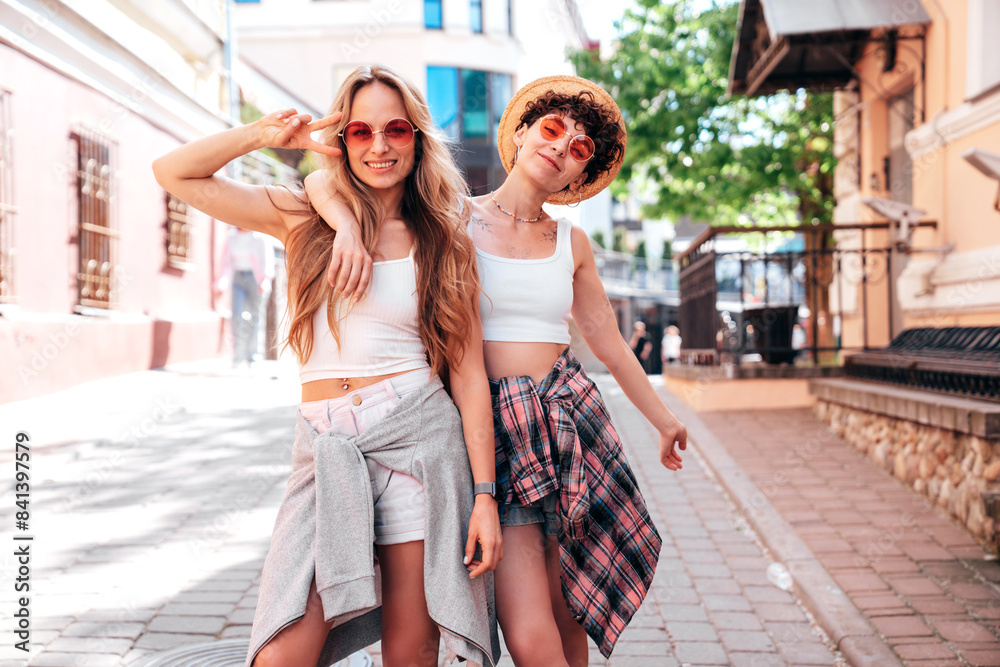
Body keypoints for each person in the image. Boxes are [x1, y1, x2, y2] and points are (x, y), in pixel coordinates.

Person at [308, 74, 688, 667]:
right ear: (522, 133)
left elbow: (608, 342)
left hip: (569, 426)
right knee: (528, 631)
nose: (561, 147)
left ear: (580, 176)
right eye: (553, 129)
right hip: (492, 429)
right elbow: (318, 180)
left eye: (579, 149)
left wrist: (663, 421)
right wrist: (348, 225)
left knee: (570, 618)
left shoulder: (573, 242)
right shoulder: (450, 217)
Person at [153, 65, 501, 667]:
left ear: (417, 135)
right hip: (326, 448)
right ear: (340, 141)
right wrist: (268, 136)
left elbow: (469, 376)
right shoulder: (303, 218)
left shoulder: (446, 239)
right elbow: (173, 173)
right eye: (360, 132)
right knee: (281, 653)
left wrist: (486, 497)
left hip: (418, 444)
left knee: (411, 654)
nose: (379, 145)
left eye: (395, 128)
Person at [216, 227, 275, 366]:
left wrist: (265, 280)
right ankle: (238, 356)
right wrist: (221, 283)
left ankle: (253, 355)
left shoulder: (260, 237)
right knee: (236, 315)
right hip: (238, 277)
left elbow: (267, 258)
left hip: (256, 278)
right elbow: (226, 261)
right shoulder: (231, 236)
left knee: (256, 317)